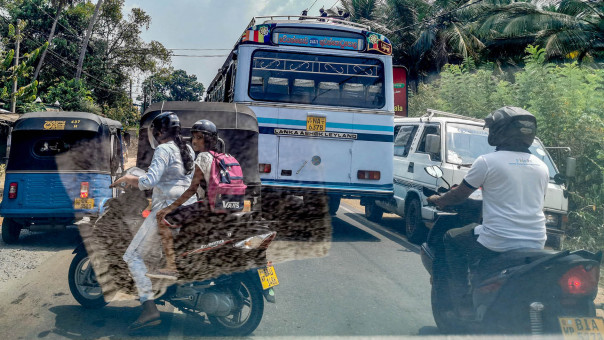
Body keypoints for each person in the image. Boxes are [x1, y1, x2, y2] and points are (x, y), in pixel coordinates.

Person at [426, 106, 549, 313]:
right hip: (536, 241)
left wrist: (439, 199)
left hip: (497, 241)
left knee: (451, 238)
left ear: (500, 131)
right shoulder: (541, 166)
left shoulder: (487, 162)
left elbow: (459, 195)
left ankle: (462, 301)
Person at [110, 112, 196, 331]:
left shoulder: (163, 149)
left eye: (156, 131)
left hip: (166, 210)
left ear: (159, 132)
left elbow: (149, 181)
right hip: (187, 208)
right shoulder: (186, 149)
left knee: (132, 256)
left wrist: (128, 178)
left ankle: (149, 310)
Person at [148, 119, 220, 280]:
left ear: (209, 139)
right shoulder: (224, 157)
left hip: (207, 207)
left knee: (164, 219)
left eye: (200, 137)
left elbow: (192, 189)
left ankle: (171, 266)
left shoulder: (203, 158)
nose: (194, 141)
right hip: (224, 208)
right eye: (194, 137)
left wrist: (168, 208)